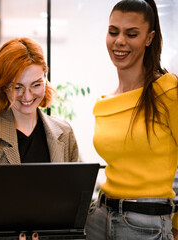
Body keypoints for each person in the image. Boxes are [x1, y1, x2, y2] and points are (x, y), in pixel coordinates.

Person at [85, 0, 178, 239]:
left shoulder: (167, 91)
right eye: (113, 31)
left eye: (132, 34)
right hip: (98, 218)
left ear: (149, 38)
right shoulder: (104, 102)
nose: (119, 41)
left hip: (145, 223)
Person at [0, 37, 78, 165]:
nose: (27, 97)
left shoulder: (65, 132)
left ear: (45, 78)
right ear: (3, 86)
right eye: (17, 87)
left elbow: (72, 184)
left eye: (36, 85)